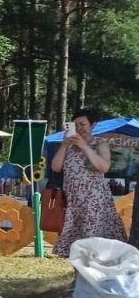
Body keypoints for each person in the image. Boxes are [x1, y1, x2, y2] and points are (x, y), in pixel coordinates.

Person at [51, 108, 126, 257]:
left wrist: (85, 147)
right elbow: (55, 167)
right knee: (76, 246)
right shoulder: (67, 146)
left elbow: (104, 167)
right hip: (73, 202)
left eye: (82, 124)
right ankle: (79, 275)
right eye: (75, 125)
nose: (79, 128)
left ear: (93, 125)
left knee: (95, 241)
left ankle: (97, 275)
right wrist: (65, 145)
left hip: (94, 201)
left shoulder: (100, 143)